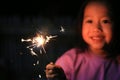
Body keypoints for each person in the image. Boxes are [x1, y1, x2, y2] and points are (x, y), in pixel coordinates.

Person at [45, 0, 120, 80]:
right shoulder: (69, 62)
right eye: (89, 21)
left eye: (105, 21)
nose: (96, 28)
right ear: (81, 24)